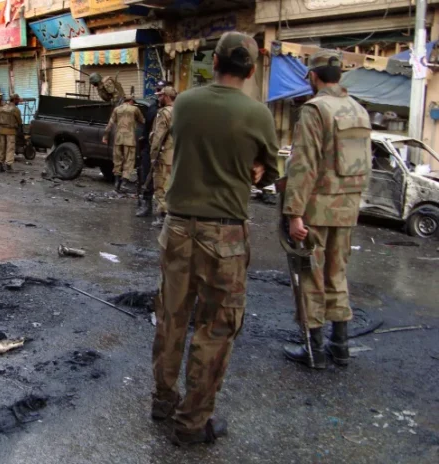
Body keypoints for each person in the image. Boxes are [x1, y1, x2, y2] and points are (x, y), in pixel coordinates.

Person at [151, 32, 279, 446]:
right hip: (224, 234)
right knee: (216, 327)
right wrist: (256, 166)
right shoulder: (258, 114)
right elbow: (270, 171)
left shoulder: (185, 103)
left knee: (171, 316)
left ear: (215, 62)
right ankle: (192, 423)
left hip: (177, 227)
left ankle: (163, 400)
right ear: (252, 70)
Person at [282, 50, 372, 369]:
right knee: (338, 273)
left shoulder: (315, 109)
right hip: (348, 207)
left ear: (314, 76)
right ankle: (340, 345)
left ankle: (315, 349)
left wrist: (294, 213)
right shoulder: (359, 110)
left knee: (311, 274)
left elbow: (304, 164)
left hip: (317, 209)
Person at [102, 95, 145, 193]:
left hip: (118, 138)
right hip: (129, 139)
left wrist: (105, 136)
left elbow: (110, 124)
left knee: (117, 161)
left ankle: (117, 183)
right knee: (129, 161)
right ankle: (124, 183)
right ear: (131, 101)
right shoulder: (135, 109)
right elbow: (142, 121)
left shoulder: (117, 109)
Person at [136, 80, 165, 218]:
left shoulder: (175, 110)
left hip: (167, 149)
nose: (159, 95)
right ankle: (146, 204)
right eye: (158, 91)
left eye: (161, 92)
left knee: (165, 180)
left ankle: (164, 212)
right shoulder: (153, 108)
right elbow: (146, 129)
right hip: (150, 147)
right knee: (147, 176)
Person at [149, 86, 177, 228]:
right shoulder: (181, 112)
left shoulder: (163, 113)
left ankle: (162, 216)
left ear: (166, 97)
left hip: (164, 155)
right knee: (171, 186)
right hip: (177, 156)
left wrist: (153, 156)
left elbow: (158, 137)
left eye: (160, 96)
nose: (158, 98)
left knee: (160, 186)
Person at [0, 93, 22, 173]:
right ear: (14, 100)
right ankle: (8, 165)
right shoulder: (15, 109)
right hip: (11, 131)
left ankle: (0, 165)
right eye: (17, 100)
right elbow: (19, 121)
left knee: (1, 148)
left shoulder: (2, 108)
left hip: (1, 130)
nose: (18, 101)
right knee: (10, 148)